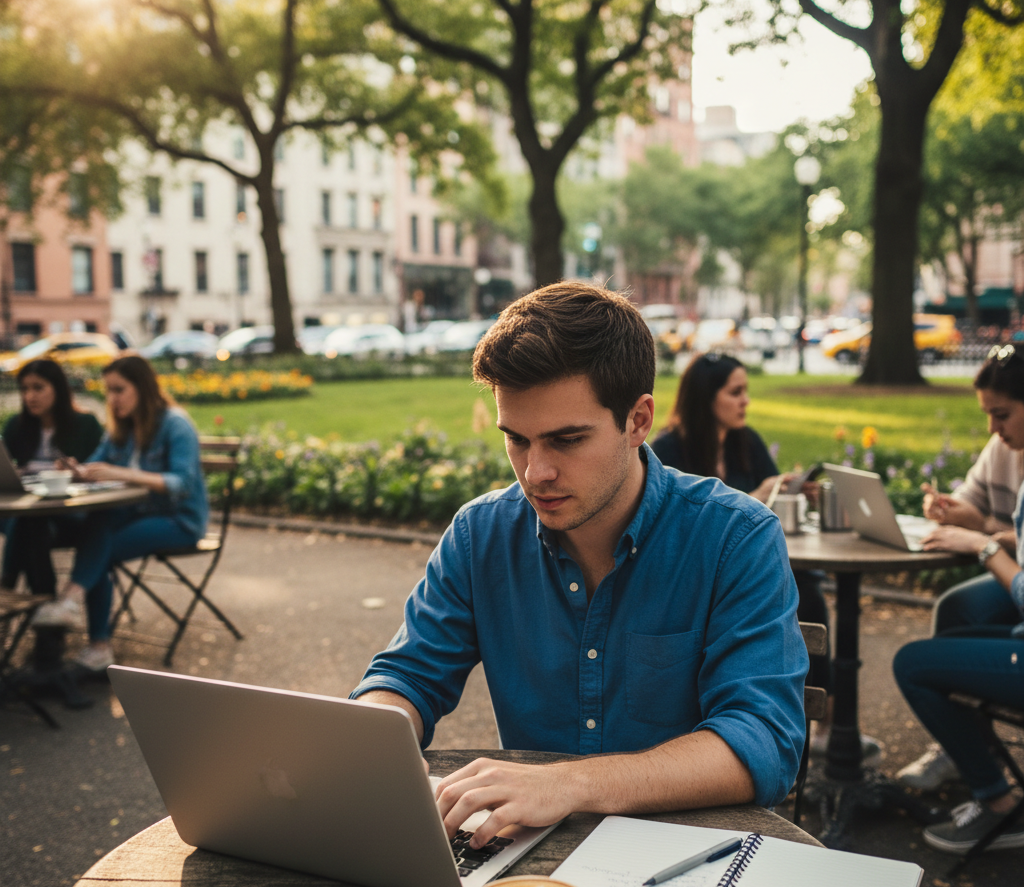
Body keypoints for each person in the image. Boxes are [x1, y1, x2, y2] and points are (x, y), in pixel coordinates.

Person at [351, 282, 808, 849]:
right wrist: (379, 731)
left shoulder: (734, 538)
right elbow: (409, 676)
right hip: (524, 853)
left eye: (566, 440)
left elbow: (762, 741)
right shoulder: (480, 535)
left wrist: (570, 784)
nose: (535, 471)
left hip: (689, 856)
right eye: (516, 439)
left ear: (638, 421)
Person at [649, 354, 861, 761]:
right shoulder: (669, 451)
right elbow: (677, 527)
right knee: (807, 594)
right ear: (706, 398)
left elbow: (767, 513)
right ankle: (805, 726)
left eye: (746, 390)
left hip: (754, 566)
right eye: (736, 392)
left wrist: (789, 491)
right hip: (698, 575)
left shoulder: (747, 441)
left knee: (810, 591)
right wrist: (754, 498)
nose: (745, 401)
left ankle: (830, 723)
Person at [893, 344, 1024, 853]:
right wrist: (954, 515)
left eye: (1003, 414)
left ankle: (998, 801)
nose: (994, 428)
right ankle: (969, 746)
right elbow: (974, 507)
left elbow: (996, 540)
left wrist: (983, 543)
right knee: (958, 610)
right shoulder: (1008, 447)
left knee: (913, 664)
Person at [30, 354, 208, 672]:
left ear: (142, 387)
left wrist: (122, 473)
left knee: (102, 548)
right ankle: (80, 620)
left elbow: (181, 485)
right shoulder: (121, 430)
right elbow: (97, 464)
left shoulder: (175, 424)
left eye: (119, 390)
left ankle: (85, 623)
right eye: (107, 391)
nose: (111, 399)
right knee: (96, 525)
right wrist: (77, 471)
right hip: (133, 514)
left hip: (179, 520)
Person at [1, 359, 104, 593]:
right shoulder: (17, 427)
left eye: (38, 388)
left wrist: (77, 473)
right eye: (25, 389)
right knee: (31, 521)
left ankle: (8, 585)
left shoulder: (85, 425)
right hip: (28, 516)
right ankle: (44, 608)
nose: (30, 396)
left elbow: (98, 471)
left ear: (58, 388)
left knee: (28, 522)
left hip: (69, 513)